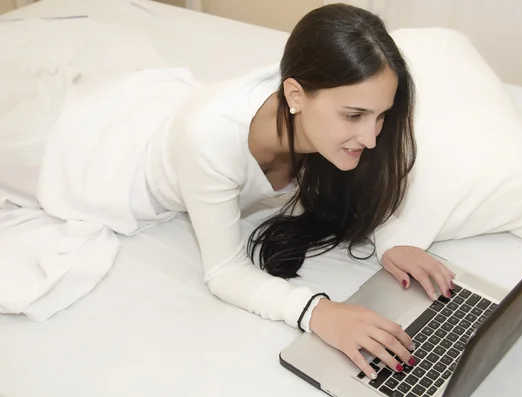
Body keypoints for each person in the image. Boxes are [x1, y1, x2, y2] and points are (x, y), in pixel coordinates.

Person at [0, 3, 454, 380]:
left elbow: (364, 187)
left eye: (381, 117)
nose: (372, 138)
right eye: (355, 116)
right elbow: (224, 272)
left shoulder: (334, 124)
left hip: (172, 119)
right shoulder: (211, 134)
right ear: (295, 95)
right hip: (108, 161)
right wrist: (318, 312)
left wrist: (393, 241)